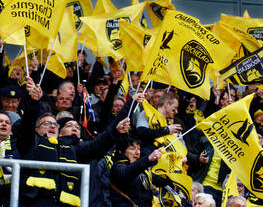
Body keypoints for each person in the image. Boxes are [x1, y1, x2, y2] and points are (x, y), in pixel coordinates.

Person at [17, 76, 131, 207]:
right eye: (47, 123)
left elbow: (97, 146)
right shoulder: (31, 143)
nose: (52, 126)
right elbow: (26, 125)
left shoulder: (72, 150)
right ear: (36, 129)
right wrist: (33, 102)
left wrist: (115, 132)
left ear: (59, 133)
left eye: (55, 124)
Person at [109, 135, 163, 207]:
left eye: (139, 149)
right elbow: (126, 173)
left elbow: (159, 180)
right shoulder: (117, 167)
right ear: (121, 151)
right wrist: (148, 159)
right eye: (132, 149)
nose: (137, 153)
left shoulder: (141, 168)